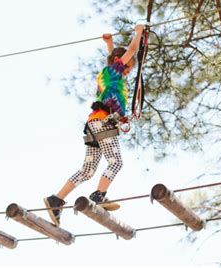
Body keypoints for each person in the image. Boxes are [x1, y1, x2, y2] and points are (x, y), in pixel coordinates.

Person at [44, 24, 145, 226]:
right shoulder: (115, 72)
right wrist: (139, 33)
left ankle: (56, 199)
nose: (128, 71)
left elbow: (114, 59)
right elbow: (131, 51)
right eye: (129, 67)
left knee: (88, 169)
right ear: (121, 63)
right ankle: (99, 195)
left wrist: (110, 44)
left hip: (94, 124)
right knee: (115, 162)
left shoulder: (107, 73)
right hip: (104, 123)